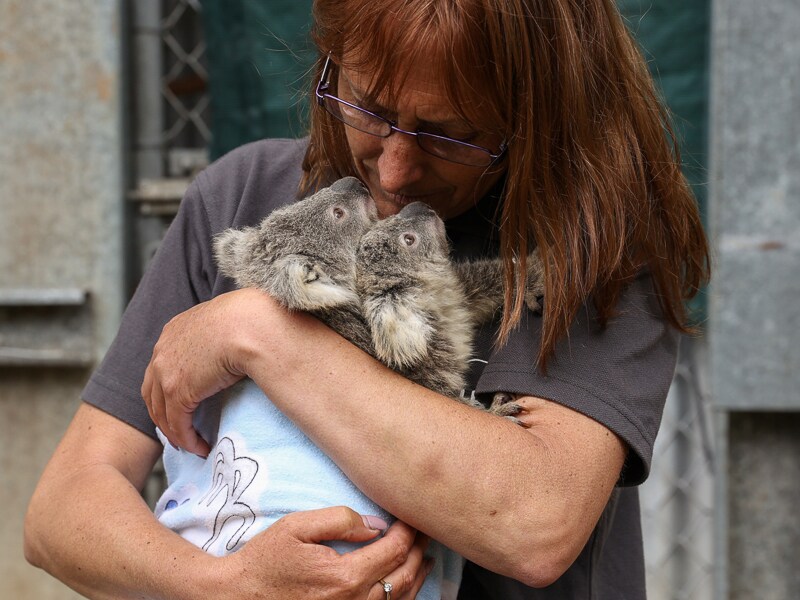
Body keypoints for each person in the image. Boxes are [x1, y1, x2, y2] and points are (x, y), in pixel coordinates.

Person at [24, 0, 710, 598]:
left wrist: (261, 333)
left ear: (530, 113)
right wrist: (225, 586)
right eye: (369, 109)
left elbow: (533, 525)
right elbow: (62, 514)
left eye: (451, 134)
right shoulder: (244, 193)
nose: (394, 168)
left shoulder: (599, 244)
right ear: (329, 63)